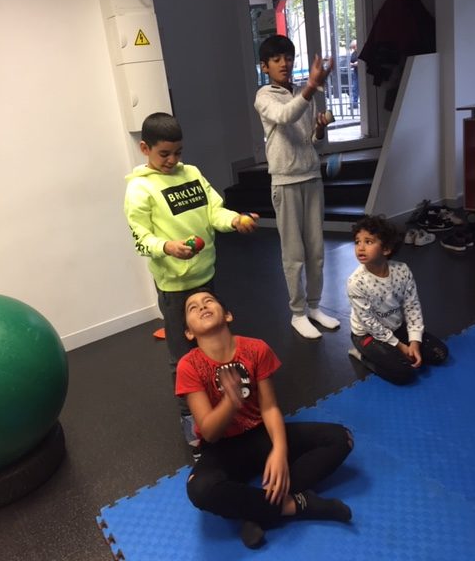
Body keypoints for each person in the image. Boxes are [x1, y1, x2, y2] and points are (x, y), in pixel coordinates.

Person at [176, 289, 353, 549]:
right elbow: (209, 432)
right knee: (199, 489)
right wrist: (230, 401)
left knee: (341, 438)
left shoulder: (255, 348)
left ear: (228, 315)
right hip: (223, 449)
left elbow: (269, 408)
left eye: (209, 301)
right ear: (189, 332)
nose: (202, 306)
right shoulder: (188, 365)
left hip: (261, 436)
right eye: (193, 308)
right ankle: (297, 504)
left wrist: (279, 450)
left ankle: (255, 511)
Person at [124, 112, 258, 455]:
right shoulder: (139, 189)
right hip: (174, 287)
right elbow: (140, 237)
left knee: (216, 345)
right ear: (145, 148)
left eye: (178, 152)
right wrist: (166, 247)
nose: (172, 160)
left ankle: (224, 405)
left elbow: (215, 212)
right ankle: (190, 418)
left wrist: (236, 220)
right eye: (164, 154)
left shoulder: (193, 174)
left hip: (205, 277)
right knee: (182, 356)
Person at [254, 34, 340, 339]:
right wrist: (312, 86)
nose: (284, 64)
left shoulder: (304, 92)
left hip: (311, 177)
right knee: (294, 254)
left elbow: (311, 141)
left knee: (316, 250)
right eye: (276, 59)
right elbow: (285, 115)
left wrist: (319, 129)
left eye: (288, 58)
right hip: (286, 181)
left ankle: (314, 306)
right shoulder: (264, 95)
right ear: (265, 66)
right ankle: (298, 313)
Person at [347, 215, 448, 385]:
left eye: (368, 242)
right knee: (404, 373)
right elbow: (369, 322)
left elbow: (412, 306)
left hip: (396, 327)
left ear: (386, 249)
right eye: (358, 242)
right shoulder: (356, 282)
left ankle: (395, 352)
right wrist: (400, 346)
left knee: (440, 354)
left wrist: (414, 342)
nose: (360, 248)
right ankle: (362, 355)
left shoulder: (402, 270)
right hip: (368, 334)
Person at [349, 39, 359, 110]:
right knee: (355, 88)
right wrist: (353, 64)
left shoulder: (360, 51)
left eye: (354, 47)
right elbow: (350, 62)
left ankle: (356, 103)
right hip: (356, 72)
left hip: (361, 72)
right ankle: (355, 104)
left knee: (358, 88)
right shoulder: (354, 53)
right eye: (353, 47)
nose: (354, 48)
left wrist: (357, 63)